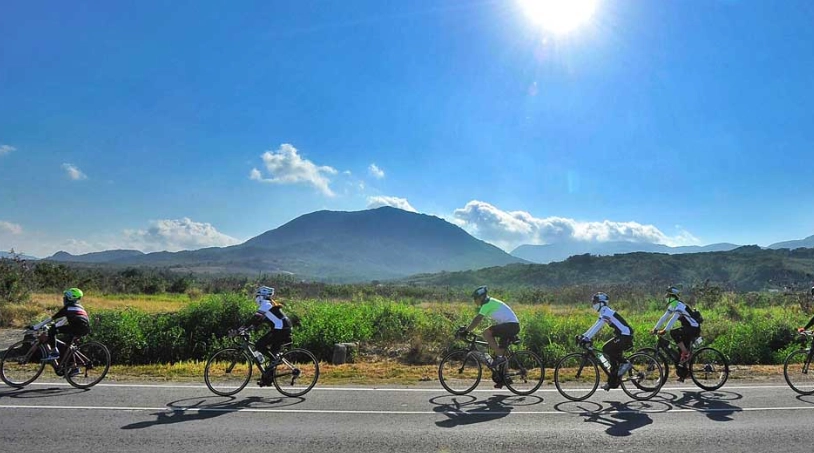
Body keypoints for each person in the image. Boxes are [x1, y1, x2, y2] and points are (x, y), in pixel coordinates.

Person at [576, 292, 634, 391]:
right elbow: (595, 325)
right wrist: (584, 335)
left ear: (602, 303)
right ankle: (612, 382)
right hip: (621, 335)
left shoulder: (607, 312)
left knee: (606, 348)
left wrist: (587, 338)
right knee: (612, 358)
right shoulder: (604, 312)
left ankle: (625, 363)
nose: (593, 304)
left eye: (595, 302)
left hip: (625, 335)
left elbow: (598, 327)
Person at [237, 285, 293, 386]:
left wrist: (241, 328)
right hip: (283, 328)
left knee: (259, 345)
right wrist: (248, 329)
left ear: (262, 296)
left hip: (281, 329)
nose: (256, 298)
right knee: (272, 354)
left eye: (257, 295)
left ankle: (275, 361)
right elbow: (258, 321)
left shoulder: (266, 304)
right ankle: (267, 380)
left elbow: (255, 317)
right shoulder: (269, 304)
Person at [29, 288, 90, 375]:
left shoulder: (68, 308)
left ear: (69, 299)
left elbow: (52, 318)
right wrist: (54, 326)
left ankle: (54, 352)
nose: (64, 298)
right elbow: (64, 321)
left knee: (52, 331)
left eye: (65, 297)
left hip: (76, 327)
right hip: (83, 328)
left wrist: (37, 326)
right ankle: (74, 368)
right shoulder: (78, 308)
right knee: (68, 346)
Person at [460, 286, 520, 371]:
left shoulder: (487, 304)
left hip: (510, 326)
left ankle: (499, 357)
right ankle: (504, 377)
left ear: (481, 297)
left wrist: (466, 331)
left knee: (486, 333)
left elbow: (477, 319)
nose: (474, 300)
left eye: (475, 298)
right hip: (511, 326)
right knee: (502, 354)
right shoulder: (490, 302)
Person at [651, 286, 700, 367]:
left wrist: (665, 330)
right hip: (687, 328)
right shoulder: (673, 305)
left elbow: (673, 319)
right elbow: (663, 318)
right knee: (679, 351)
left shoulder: (680, 306)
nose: (666, 297)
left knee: (674, 332)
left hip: (693, 328)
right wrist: (655, 328)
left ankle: (686, 353)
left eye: (668, 296)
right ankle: (684, 373)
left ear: (673, 297)